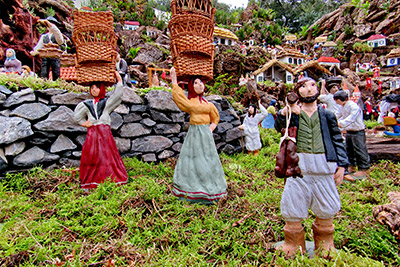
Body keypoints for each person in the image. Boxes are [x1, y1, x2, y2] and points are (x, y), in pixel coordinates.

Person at [275, 77, 349, 257]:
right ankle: (293, 243)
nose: (308, 89)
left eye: (312, 85)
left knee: (326, 205)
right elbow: (279, 128)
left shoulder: (327, 115)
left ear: (317, 90)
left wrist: (342, 165)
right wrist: (284, 114)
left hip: (323, 165)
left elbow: (337, 140)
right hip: (298, 166)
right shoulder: (293, 114)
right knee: (292, 204)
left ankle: (325, 243)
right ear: (297, 91)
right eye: (303, 86)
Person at [170, 67, 227, 204]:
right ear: (191, 86)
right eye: (195, 83)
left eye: (201, 82)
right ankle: (191, 187)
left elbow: (215, 118)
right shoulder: (191, 102)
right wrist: (174, 81)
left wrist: (210, 129)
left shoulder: (209, 104)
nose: (199, 85)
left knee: (208, 159)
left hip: (205, 134)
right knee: (193, 159)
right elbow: (180, 100)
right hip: (194, 133)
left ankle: (211, 185)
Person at [73, 71, 128, 189]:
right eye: (91, 88)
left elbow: (117, 96)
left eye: (97, 87)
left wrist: (119, 81)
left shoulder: (106, 103)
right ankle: (92, 179)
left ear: (101, 89)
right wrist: (84, 123)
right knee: (91, 154)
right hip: (93, 133)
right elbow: (77, 115)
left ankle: (109, 177)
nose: (93, 90)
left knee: (107, 154)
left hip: (104, 133)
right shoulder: (87, 104)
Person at [334, 90, 370, 178]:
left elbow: (351, 118)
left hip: (357, 131)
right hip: (349, 131)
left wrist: (340, 123)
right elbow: (337, 115)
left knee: (360, 150)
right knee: (349, 150)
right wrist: (332, 119)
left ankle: (364, 168)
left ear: (340, 99)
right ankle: (352, 166)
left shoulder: (354, 106)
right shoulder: (342, 106)